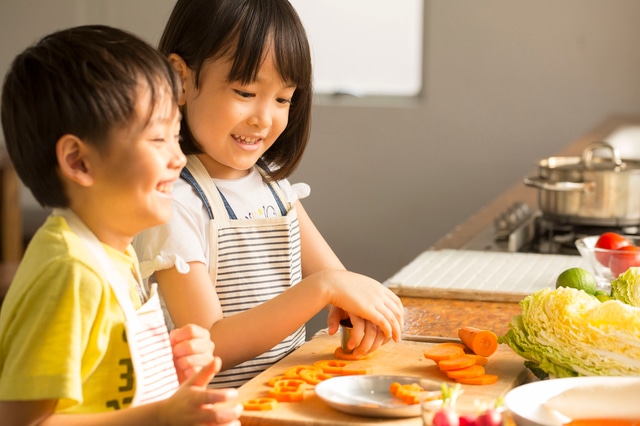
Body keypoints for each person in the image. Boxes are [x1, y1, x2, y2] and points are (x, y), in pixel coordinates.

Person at [133, 0, 404, 388]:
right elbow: (210, 345)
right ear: (180, 79)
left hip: (279, 400)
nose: (264, 117)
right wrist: (324, 289)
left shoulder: (274, 187)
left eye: (282, 99)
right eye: (245, 91)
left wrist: (356, 312)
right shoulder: (174, 204)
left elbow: (340, 283)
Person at [0, 25, 242, 425]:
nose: (178, 159)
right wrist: (160, 416)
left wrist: (170, 369)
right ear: (79, 162)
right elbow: (22, 422)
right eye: (158, 139)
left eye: (176, 137)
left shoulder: (114, 252)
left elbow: (106, 391)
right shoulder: (72, 270)